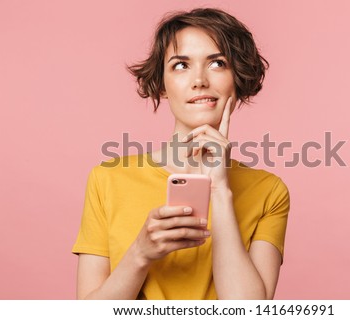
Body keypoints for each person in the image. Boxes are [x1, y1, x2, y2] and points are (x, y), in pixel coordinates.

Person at [72, 8, 290, 300]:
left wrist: (220, 190)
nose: (199, 80)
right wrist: (140, 253)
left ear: (238, 79)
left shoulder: (269, 191)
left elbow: (249, 312)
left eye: (217, 63)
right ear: (162, 85)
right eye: (180, 65)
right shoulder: (107, 179)